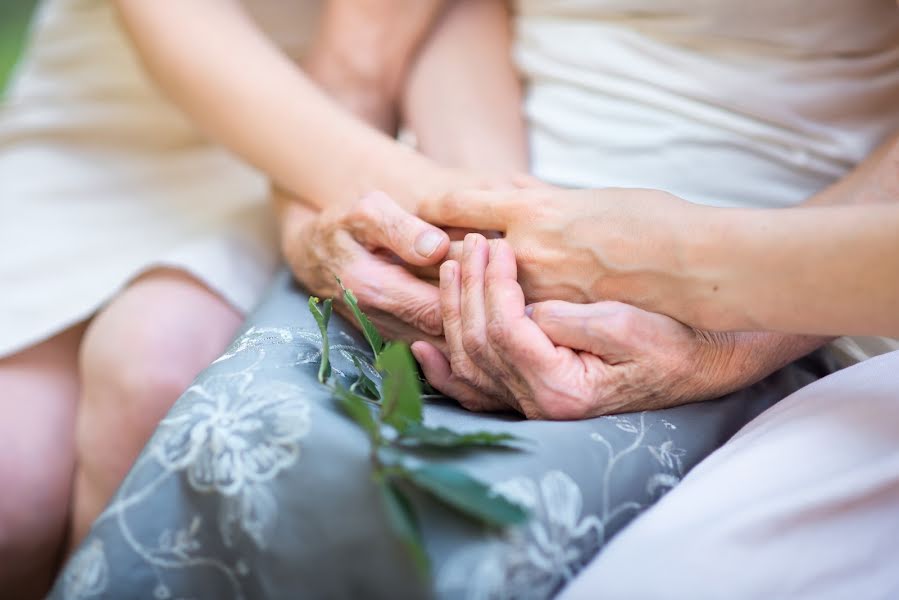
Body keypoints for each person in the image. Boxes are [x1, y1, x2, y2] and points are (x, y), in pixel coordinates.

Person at [0, 0, 524, 596]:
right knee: (11, 503)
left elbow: (458, 17)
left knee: (150, 372)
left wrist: (486, 229)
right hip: (106, 114)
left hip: (306, 144)